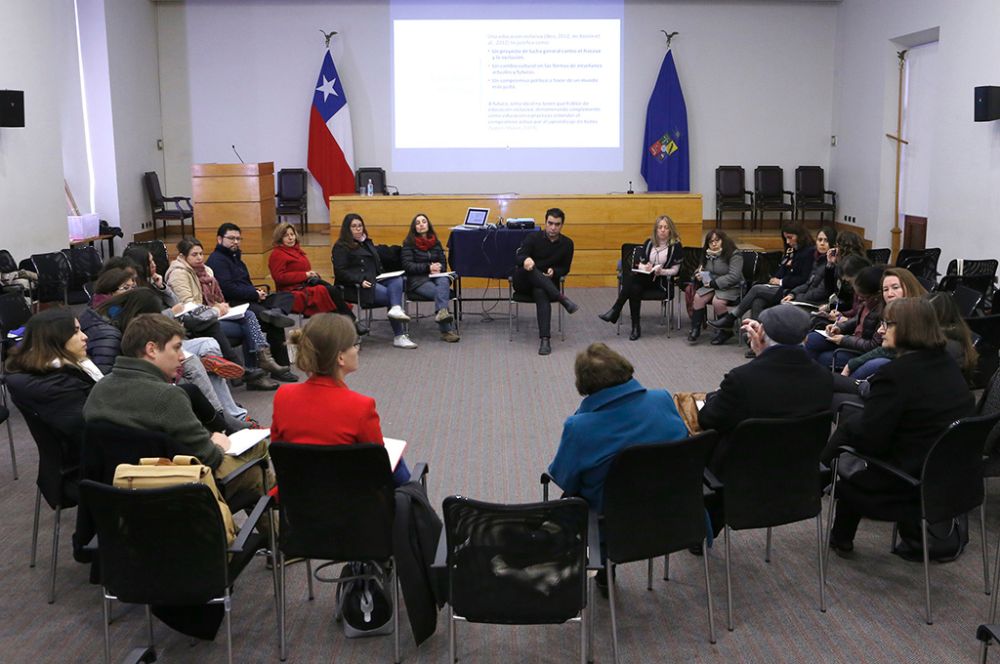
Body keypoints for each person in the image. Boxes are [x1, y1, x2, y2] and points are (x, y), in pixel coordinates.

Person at [83, 314, 272, 523]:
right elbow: (209, 458)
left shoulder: (98, 391)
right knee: (257, 456)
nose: (182, 356)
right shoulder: (168, 396)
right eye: (176, 348)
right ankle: (279, 532)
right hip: (176, 494)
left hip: (119, 498)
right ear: (152, 349)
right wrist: (218, 444)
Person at [823, 297, 975, 554]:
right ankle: (820, 473)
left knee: (850, 463)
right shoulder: (946, 363)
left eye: (888, 324)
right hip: (951, 479)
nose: (881, 330)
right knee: (853, 425)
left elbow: (870, 441)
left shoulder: (896, 375)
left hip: (907, 484)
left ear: (908, 329)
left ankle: (839, 536)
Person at [698, 305, 833, 535]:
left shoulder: (742, 379)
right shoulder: (824, 377)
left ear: (759, 335)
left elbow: (707, 420)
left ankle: (705, 528)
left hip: (740, 477)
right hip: (798, 475)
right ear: (806, 339)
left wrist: (759, 358)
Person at [270, 313, 411, 486]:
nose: (357, 350)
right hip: (353, 498)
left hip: (298, 496)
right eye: (354, 345)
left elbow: (279, 453)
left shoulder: (283, 396)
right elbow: (377, 466)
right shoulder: (361, 406)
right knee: (399, 466)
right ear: (340, 357)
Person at [547, 342, 688, 511]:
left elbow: (565, 480)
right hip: (680, 512)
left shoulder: (579, 428)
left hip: (614, 522)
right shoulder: (662, 398)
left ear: (584, 383)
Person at [166, 237, 292, 389]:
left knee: (249, 316)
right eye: (194, 254)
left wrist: (220, 306)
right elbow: (189, 306)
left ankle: (254, 366)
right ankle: (257, 365)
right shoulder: (179, 274)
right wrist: (216, 309)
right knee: (249, 325)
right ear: (183, 256)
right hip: (198, 323)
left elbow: (217, 298)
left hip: (213, 316)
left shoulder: (206, 271)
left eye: (201, 253)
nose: (199, 258)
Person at [5, 308, 104, 459]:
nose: (85, 337)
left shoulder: (54, 370)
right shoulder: (57, 384)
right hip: (86, 462)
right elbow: (91, 431)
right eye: (75, 332)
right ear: (55, 338)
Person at [206, 222, 298, 366]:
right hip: (235, 304)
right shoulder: (218, 260)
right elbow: (228, 289)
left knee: (286, 296)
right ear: (219, 239)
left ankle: (275, 312)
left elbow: (245, 284)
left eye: (238, 238)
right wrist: (254, 294)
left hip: (249, 298)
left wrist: (257, 292)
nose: (235, 242)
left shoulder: (235, 258)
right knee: (274, 322)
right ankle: (279, 365)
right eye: (231, 238)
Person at [709, 221, 816, 333]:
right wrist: (776, 277)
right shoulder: (793, 250)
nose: (788, 242)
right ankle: (755, 336)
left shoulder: (809, 252)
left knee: (756, 289)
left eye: (790, 238)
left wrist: (781, 281)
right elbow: (782, 269)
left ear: (800, 235)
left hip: (792, 290)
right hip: (780, 287)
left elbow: (803, 279)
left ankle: (731, 318)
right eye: (786, 238)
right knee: (758, 302)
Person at [332, 213, 417, 349]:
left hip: (375, 279)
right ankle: (399, 335)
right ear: (347, 229)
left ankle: (396, 310)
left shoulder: (367, 243)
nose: (358, 229)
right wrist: (359, 280)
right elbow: (340, 272)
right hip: (356, 286)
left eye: (360, 226)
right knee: (392, 297)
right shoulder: (340, 247)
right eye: (354, 226)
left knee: (397, 280)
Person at [268, 221, 367, 336]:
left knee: (332, 292)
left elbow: (303, 271)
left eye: (292, 234)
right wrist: (305, 275)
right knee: (330, 293)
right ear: (280, 238)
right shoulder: (277, 254)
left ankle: (345, 330)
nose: (290, 238)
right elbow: (279, 278)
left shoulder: (297, 251)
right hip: (291, 292)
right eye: (286, 235)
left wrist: (311, 275)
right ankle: (351, 325)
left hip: (305, 285)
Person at [598, 215, 683, 341]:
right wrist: (646, 267)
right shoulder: (649, 243)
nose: (663, 230)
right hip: (646, 278)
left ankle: (616, 311)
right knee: (634, 287)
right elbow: (640, 264)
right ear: (656, 229)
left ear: (670, 229)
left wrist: (662, 271)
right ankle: (635, 326)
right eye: (660, 227)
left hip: (662, 281)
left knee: (633, 284)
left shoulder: (676, 246)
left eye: (666, 227)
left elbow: (675, 271)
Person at [838, 267, 927, 380]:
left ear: (909, 287)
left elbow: (890, 349)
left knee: (876, 364)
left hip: (908, 370)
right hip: (881, 355)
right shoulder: (887, 310)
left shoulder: (920, 312)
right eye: (885, 290)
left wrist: (852, 362)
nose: (890, 294)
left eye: (895, 287)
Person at [512, 208, 578, 355]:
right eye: (550, 223)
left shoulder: (567, 244)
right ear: (545, 222)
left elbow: (565, 268)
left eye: (557, 224)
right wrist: (525, 259)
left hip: (546, 284)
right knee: (532, 269)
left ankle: (545, 340)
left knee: (541, 291)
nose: (553, 227)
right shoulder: (533, 237)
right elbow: (519, 256)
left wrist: (554, 271)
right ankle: (562, 298)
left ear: (562, 225)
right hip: (524, 281)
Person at [804, 265, 886, 369]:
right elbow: (857, 320)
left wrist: (844, 340)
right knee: (812, 339)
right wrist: (839, 327)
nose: (859, 299)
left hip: (860, 350)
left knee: (824, 358)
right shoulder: (866, 303)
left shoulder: (883, 312)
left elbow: (873, 346)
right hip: (852, 340)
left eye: (863, 297)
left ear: (877, 295)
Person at [400, 213, 460, 343]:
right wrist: (428, 268)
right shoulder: (408, 244)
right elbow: (408, 266)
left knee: (444, 280)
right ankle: (446, 331)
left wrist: (439, 267)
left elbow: (443, 262)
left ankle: (442, 315)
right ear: (414, 227)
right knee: (441, 293)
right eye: (418, 223)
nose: (421, 224)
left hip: (436, 276)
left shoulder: (435, 242)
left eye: (424, 222)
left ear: (428, 225)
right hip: (418, 281)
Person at [686, 230, 744, 345]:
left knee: (717, 302)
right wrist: (698, 274)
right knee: (698, 297)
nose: (714, 244)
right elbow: (701, 268)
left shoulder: (734, 254)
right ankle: (695, 329)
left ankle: (726, 331)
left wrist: (715, 283)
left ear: (724, 240)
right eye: (711, 241)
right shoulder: (707, 254)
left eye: (717, 240)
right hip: (711, 284)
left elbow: (734, 276)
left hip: (731, 285)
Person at [781, 226, 837, 306]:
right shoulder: (817, 260)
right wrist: (793, 294)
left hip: (817, 304)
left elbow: (821, 292)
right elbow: (808, 284)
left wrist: (798, 297)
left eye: (826, 240)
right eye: (819, 240)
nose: (822, 243)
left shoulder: (831, 264)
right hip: (806, 299)